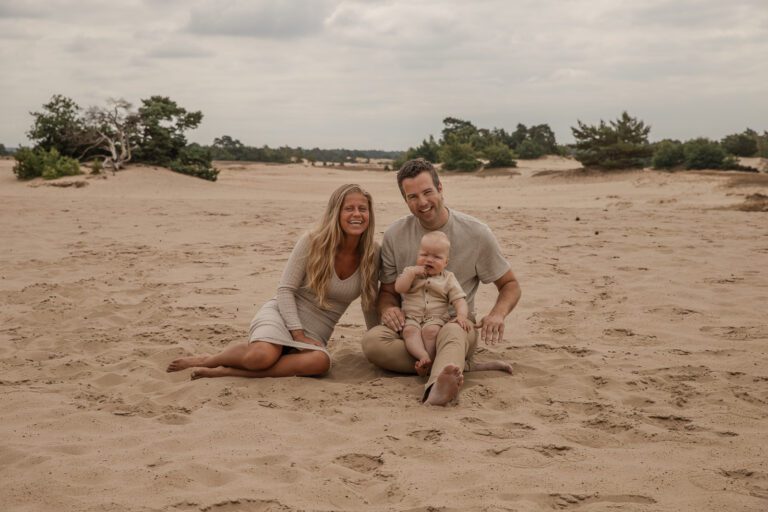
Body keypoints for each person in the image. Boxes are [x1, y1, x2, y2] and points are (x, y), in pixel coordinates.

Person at [168, 184, 379, 380]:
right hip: (282, 314)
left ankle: (228, 372)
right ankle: (210, 360)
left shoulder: (372, 253)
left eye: (363, 209)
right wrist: (298, 334)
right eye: (349, 208)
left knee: (320, 363)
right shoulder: (312, 241)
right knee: (260, 357)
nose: (357, 214)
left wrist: (375, 342)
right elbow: (285, 290)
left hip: (316, 331)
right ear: (336, 213)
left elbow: (369, 303)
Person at [361, 158, 520, 406]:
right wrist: (388, 308)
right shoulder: (395, 235)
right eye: (412, 196)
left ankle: (436, 388)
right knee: (372, 343)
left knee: (452, 333)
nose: (422, 202)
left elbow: (510, 285)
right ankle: (452, 363)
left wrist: (497, 314)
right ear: (405, 200)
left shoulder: (477, 233)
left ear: (440, 188)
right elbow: (389, 292)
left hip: (455, 324)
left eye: (427, 192)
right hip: (411, 328)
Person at [394, 231, 470, 375]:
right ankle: (423, 356)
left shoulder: (448, 278)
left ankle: (432, 362)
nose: (429, 260)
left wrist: (461, 315)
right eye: (424, 255)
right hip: (411, 317)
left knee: (431, 332)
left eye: (436, 257)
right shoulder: (410, 272)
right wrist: (410, 274)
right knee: (409, 331)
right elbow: (399, 288)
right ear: (418, 255)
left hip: (436, 318)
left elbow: (459, 300)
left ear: (446, 262)